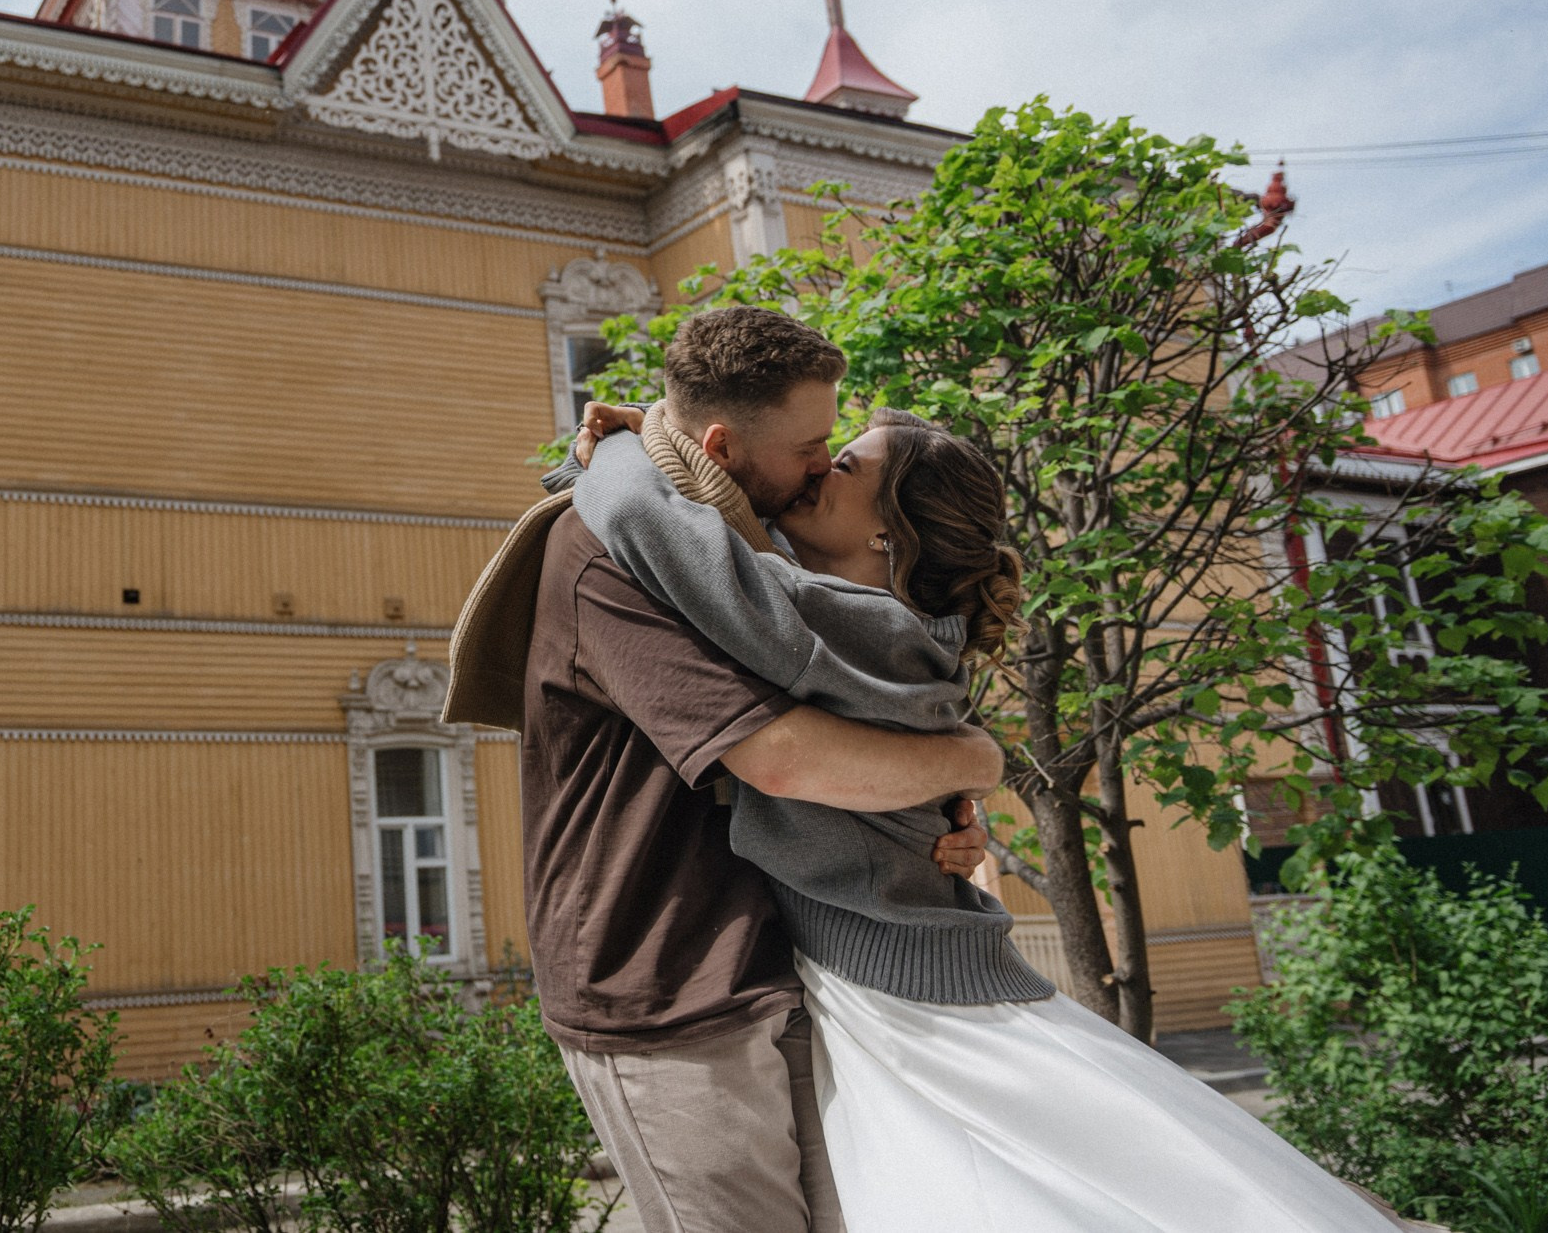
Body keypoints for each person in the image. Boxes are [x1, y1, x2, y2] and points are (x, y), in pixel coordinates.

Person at [565, 397, 1411, 1232]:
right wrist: (977, 756)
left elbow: (643, 518)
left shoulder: (829, 619)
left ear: (889, 534)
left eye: (846, 463)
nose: (820, 465)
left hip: (898, 983)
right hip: (908, 965)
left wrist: (635, 438)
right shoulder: (899, 629)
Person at [445, 306, 1003, 1233]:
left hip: (783, 965)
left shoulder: (737, 544)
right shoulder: (609, 556)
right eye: (813, 445)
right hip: (664, 990)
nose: (823, 463)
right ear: (720, 443)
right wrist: (968, 756)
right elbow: (780, 758)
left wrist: (952, 790)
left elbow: (870, 689)